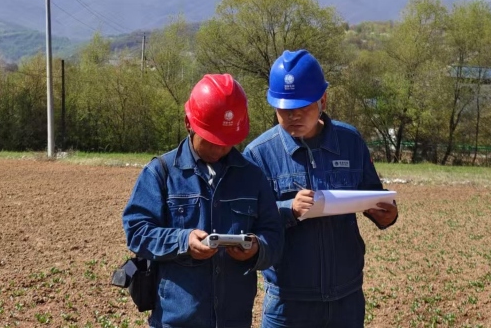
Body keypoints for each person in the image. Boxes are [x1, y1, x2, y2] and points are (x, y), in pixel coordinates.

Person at [243, 50, 398, 328]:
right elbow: (246, 221)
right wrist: (287, 209)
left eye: (303, 108)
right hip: (288, 305)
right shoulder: (258, 155)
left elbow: (373, 195)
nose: (294, 116)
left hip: (346, 300)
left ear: (323, 100)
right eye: (285, 109)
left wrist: (386, 215)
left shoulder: (350, 142)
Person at [122, 74, 284, 328]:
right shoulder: (160, 173)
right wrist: (183, 240)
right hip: (176, 321)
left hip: (235, 320)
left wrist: (256, 249)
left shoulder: (253, 176)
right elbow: (137, 232)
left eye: (227, 141)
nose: (220, 149)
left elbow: (274, 234)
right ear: (189, 123)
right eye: (211, 140)